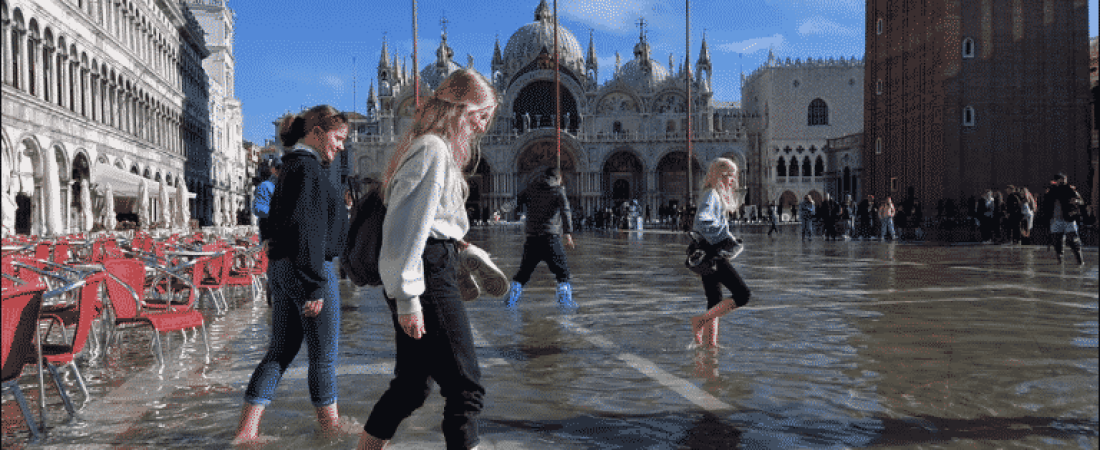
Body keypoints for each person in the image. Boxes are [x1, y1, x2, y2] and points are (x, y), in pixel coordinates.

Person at [357, 69, 499, 450]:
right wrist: (407, 298)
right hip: (425, 272)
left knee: (411, 386)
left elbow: (431, 221)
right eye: (481, 116)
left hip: (434, 264)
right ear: (461, 109)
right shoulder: (433, 149)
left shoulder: (432, 148)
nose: (483, 126)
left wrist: (463, 248)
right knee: (466, 388)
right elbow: (403, 230)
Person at [234, 105, 352, 443]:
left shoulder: (289, 168)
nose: (341, 146)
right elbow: (309, 228)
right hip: (309, 270)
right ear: (316, 133)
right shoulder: (309, 169)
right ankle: (330, 432)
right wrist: (314, 285)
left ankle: (246, 432)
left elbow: (272, 220)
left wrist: (274, 248)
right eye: (338, 138)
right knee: (324, 356)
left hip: (284, 268)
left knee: (280, 351)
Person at [689, 157, 751, 348]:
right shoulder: (712, 195)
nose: (733, 181)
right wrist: (726, 238)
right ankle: (699, 321)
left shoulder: (712, 194)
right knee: (742, 294)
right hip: (713, 254)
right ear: (721, 176)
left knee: (714, 299)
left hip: (707, 254)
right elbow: (702, 220)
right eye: (730, 176)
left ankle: (710, 345)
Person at [504, 166, 577, 310]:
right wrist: (568, 233)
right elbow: (566, 211)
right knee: (563, 274)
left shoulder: (530, 189)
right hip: (551, 239)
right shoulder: (558, 191)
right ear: (559, 178)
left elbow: (515, 201)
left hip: (532, 240)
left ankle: (510, 302)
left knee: (522, 275)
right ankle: (566, 305)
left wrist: (500, 211)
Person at [1041, 173, 1085, 265]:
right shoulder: (1051, 191)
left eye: (1064, 180)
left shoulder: (1070, 189)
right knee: (1057, 241)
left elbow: (1080, 201)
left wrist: (1075, 202)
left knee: (1073, 240)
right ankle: (1060, 260)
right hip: (1056, 219)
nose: (1063, 182)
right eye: (1061, 180)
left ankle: (1079, 260)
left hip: (1068, 218)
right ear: (1056, 181)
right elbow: (1045, 205)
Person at [252, 157, 281, 243]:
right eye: (279, 168)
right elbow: (259, 209)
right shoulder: (265, 186)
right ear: (273, 169)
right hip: (271, 238)